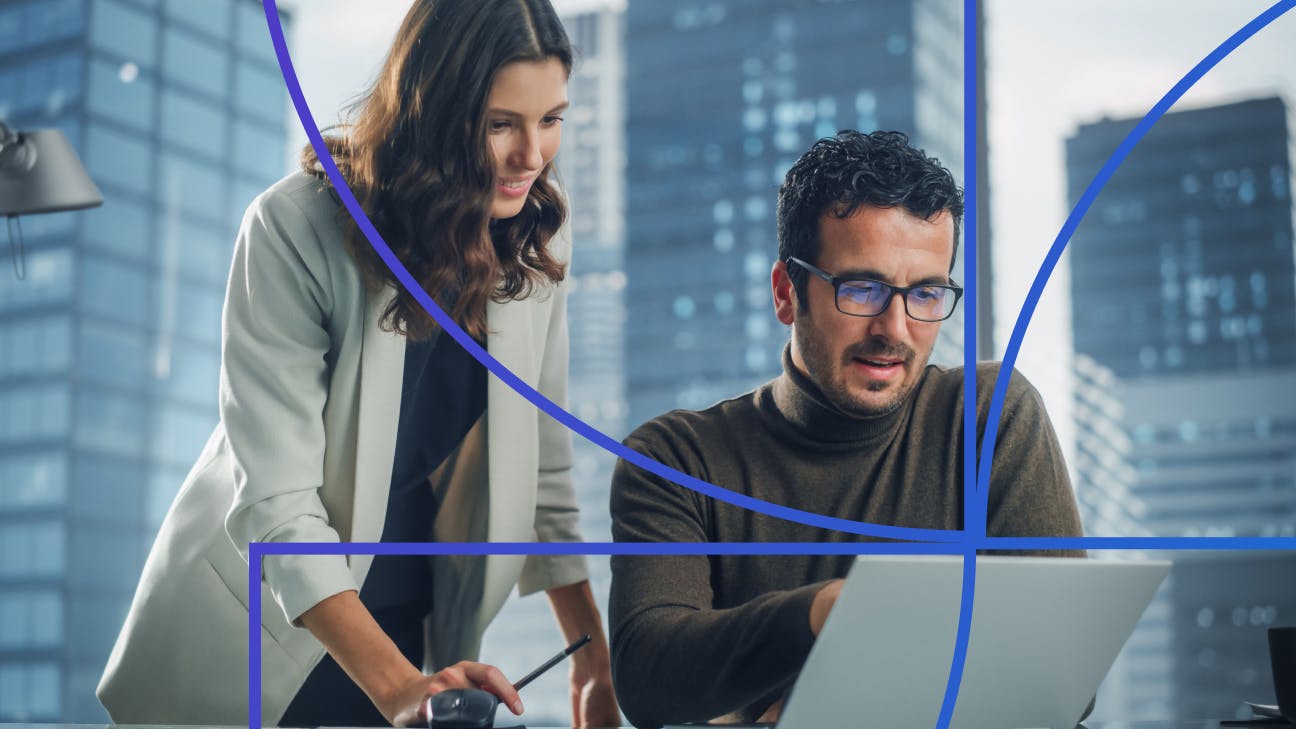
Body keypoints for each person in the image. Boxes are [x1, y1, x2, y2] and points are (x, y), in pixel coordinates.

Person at [97, 1, 618, 726]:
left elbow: (547, 472)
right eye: (501, 123)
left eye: (552, 118)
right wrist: (399, 688)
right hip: (268, 631)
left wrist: (592, 655)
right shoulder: (294, 229)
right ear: (435, 108)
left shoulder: (526, 254)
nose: (532, 154)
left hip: (409, 638)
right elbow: (278, 505)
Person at [607, 130, 1086, 728]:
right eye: (862, 289)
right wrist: (830, 611)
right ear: (787, 293)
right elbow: (649, 677)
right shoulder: (675, 459)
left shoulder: (992, 415)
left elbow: (1062, 674)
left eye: (927, 293)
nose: (896, 328)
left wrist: (830, 700)